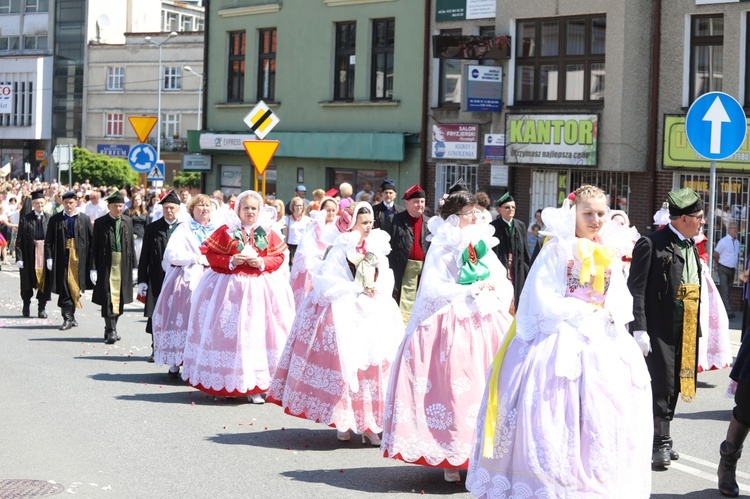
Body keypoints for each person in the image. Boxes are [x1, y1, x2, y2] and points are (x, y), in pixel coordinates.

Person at [467, 185, 652, 497]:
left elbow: (620, 295)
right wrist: (581, 313)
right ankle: (550, 483)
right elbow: (542, 296)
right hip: (562, 335)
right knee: (554, 412)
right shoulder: (557, 249)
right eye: (588, 213)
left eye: (600, 213)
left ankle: (596, 483)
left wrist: (608, 315)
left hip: (601, 338)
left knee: (601, 418)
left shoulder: (608, 250)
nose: (595, 220)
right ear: (574, 213)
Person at [381, 186, 514, 483]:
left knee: (485, 386)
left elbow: (499, 277)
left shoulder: (481, 244)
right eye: (468, 215)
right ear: (454, 218)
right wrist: (468, 289)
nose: (474, 219)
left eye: (475, 214)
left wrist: (493, 288)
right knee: (454, 389)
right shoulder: (442, 246)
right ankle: (450, 458)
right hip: (452, 322)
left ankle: (481, 453)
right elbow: (432, 288)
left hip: (484, 319)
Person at [268, 202, 404, 444]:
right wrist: (355, 288)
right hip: (347, 307)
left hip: (373, 309)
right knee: (347, 365)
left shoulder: (377, 246)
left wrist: (375, 288)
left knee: (371, 367)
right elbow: (326, 280)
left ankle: (368, 424)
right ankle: (344, 420)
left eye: (371, 222)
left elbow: (385, 275)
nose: (369, 227)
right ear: (352, 224)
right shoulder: (340, 248)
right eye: (364, 223)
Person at [181, 190, 294, 403]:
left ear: (259, 211)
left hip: (261, 292)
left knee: (257, 335)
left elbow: (278, 257)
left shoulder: (267, 232)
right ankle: (227, 381)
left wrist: (261, 263)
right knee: (230, 335)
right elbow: (212, 255)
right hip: (229, 292)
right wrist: (231, 260)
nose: (250, 212)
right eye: (246, 208)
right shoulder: (226, 231)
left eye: (253, 208)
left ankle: (256, 386)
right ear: (238, 210)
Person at [628, 187, 704, 469]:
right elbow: (635, 289)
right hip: (659, 324)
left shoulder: (690, 245)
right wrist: (639, 328)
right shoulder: (651, 243)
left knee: (678, 381)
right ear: (683, 218)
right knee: (661, 382)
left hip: (686, 322)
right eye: (697, 217)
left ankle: (663, 438)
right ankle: (658, 443)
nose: (701, 221)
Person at [152, 194, 215, 379]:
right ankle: (175, 361)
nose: (204, 209)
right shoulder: (184, 229)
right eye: (200, 206)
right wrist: (194, 258)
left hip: (212, 279)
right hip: (187, 280)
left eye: (207, 206)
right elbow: (171, 253)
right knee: (183, 319)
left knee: (207, 321)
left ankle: (201, 361)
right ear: (192, 210)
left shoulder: (219, 230)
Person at [137, 191, 182, 361]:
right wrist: (142, 280)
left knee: (175, 315)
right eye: (165, 208)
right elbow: (145, 257)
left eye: (172, 207)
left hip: (178, 279)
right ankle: (155, 348)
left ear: (178, 209)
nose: (169, 211)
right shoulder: (152, 228)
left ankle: (174, 350)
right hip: (157, 278)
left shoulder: (184, 228)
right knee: (155, 315)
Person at [90, 191, 137, 344]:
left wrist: (134, 267)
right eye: (115, 206)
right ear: (109, 206)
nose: (118, 209)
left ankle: (111, 326)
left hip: (123, 264)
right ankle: (112, 330)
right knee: (107, 297)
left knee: (120, 299)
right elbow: (94, 247)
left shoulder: (128, 221)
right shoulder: (100, 223)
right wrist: (93, 268)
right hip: (106, 265)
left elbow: (131, 245)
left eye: (121, 205)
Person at [43, 191, 93, 330]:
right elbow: (49, 240)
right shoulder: (56, 219)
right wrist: (49, 257)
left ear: (76, 202)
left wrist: (92, 263)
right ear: (62, 203)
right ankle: (67, 318)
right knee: (64, 286)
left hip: (78, 259)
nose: (68, 205)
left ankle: (72, 315)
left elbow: (92, 240)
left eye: (71, 202)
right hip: (62, 258)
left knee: (74, 288)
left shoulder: (84, 219)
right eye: (66, 203)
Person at [383, 184, 430, 322]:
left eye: (422, 202)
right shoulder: (394, 220)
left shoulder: (429, 223)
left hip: (421, 275)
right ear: (407, 203)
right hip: (400, 271)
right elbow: (385, 248)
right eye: (416, 202)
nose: (419, 205)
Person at [289, 196, 339, 309]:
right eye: (327, 210)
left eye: (333, 210)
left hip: (332, 262)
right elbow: (306, 245)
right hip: (315, 261)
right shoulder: (314, 225)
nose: (330, 213)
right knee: (308, 272)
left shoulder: (338, 226)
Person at [490, 192, 531, 310]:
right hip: (501, 266)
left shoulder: (520, 225)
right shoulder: (493, 226)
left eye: (513, 207)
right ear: (499, 209)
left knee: (518, 297)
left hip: (516, 267)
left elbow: (525, 250)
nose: (510, 210)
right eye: (507, 207)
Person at [15, 189, 50, 318]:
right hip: (29, 253)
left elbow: (52, 239)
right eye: (37, 203)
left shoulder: (49, 218)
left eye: (42, 203)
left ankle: (42, 308)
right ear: (33, 204)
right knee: (27, 281)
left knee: (44, 281)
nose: (40, 206)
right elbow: (19, 239)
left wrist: (51, 257)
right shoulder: (26, 219)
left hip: (44, 254)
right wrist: (19, 257)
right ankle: (26, 305)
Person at [714, 222, 741, 319]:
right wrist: (718, 264)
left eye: (736, 228)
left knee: (729, 290)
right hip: (723, 268)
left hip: (732, 269)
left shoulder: (737, 242)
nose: (735, 230)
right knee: (725, 290)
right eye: (733, 228)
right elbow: (716, 254)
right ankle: (729, 312)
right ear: (729, 229)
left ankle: (723, 310)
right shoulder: (724, 241)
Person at [284, 196, 311, 266]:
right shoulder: (287, 219)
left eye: (300, 205)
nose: (299, 207)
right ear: (293, 206)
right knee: (291, 267)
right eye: (296, 205)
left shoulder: (307, 220)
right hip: (290, 247)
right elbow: (284, 235)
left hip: (302, 247)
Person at [126, 192, 148, 263]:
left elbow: (147, 225)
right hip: (132, 236)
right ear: (132, 201)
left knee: (140, 255)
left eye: (139, 199)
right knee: (133, 255)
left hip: (142, 236)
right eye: (135, 200)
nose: (137, 201)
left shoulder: (145, 212)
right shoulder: (128, 211)